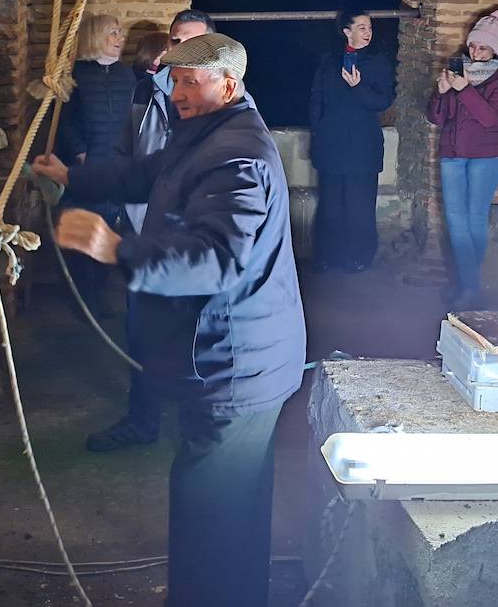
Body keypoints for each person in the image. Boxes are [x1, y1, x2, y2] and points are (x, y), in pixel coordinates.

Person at [32, 33, 305, 607]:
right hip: (240, 356)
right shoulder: (206, 133)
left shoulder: (239, 156)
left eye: (190, 82)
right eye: (173, 80)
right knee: (231, 503)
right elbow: (144, 174)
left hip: (235, 362)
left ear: (228, 85)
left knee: (211, 511)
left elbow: (218, 259)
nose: (177, 92)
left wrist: (117, 250)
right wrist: (71, 178)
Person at [86, 9, 215, 453]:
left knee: (195, 336)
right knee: (141, 333)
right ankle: (142, 421)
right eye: (177, 42)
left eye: (196, 44)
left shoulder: (218, 104)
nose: (183, 51)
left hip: (192, 243)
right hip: (147, 235)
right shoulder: (148, 91)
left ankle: (200, 424)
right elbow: (130, 152)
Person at [427, 9, 498, 309]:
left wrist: (463, 89)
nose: (475, 52)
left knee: (474, 218)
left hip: (486, 156)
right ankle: (467, 284)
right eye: (473, 45)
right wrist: (440, 94)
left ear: (495, 50)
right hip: (453, 154)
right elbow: (437, 118)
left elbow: (490, 118)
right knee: (455, 220)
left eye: (483, 47)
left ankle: (470, 286)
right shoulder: (457, 72)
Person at [55, 12, 136, 316]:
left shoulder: (126, 76)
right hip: (84, 168)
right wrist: (79, 152)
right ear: (95, 37)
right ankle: (81, 299)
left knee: (106, 232)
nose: (120, 39)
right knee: (81, 234)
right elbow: (64, 123)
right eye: (113, 33)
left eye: (120, 33)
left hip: (115, 168)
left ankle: (98, 297)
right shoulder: (75, 76)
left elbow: (132, 121)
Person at [308, 8, 396, 273]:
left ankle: (359, 258)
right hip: (332, 143)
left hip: (362, 144)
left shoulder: (378, 61)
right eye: (361, 28)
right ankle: (327, 257)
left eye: (369, 27)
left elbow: (382, 101)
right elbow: (317, 98)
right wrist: (318, 130)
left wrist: (358, 87)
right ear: (346, 31)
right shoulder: (330, 61)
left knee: (359, 205)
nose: (368, 33)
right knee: (331, 205)